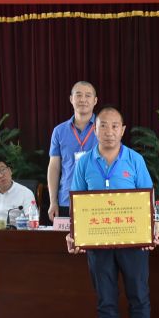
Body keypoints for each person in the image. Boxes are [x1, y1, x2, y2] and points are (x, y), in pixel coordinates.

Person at [67, 106, 158, 318]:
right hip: (98, 243)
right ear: (94, 130)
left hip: (133, 243)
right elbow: (76, 203)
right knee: (105, 299)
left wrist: (149, 232)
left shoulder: (135, 160)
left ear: (123, 130)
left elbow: (148, 198)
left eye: (114, 126)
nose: (109, 131)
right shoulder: (84, 162)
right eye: (103, 126)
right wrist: (74, 234)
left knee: (139, 297)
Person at [48, 81, 98, 221]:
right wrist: (53, 201)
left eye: (88, 95)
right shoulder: (59, 131)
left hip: (97, 200)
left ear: (95, 101)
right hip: (67, 200)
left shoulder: (104, 129)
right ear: (71, 99)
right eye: (78, 95)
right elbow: (54, 167)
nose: (83, 99)